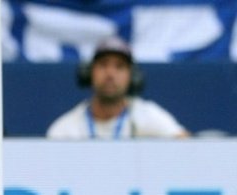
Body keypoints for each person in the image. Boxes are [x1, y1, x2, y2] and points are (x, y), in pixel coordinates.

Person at [46, 36, 189, 139]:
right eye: (103, 65)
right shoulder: (66, 130)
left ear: (132, 77)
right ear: (89, 73)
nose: (110, 74)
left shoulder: (146, 115)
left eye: (119, 67)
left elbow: (185, 147)